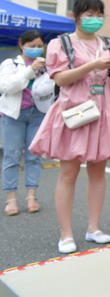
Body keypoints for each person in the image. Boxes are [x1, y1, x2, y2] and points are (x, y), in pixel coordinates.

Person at [30, 0, 110, 254]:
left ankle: (93, 228)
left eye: (99, 15)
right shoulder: (60, 44)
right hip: (74, 113)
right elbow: (61, 79)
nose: (95, 20)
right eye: (89, 15)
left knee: (98, 173)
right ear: (74, 17)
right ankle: (66, 234)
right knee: (69, 173)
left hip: (104, 110)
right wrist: (93, 65)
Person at [0, 30, 56, 216]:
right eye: (31, 46)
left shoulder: (46, 64)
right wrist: (29, 71)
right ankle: (11, 198)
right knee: (12, 156)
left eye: (39, 46)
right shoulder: (11, 63)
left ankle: (32, 196)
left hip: (37, 114)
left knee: (34, 156)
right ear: (21, 45)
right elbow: (7, 87)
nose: (36, 49)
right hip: (14, 116)